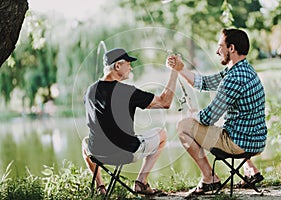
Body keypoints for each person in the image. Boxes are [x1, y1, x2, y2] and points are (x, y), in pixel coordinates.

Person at [169, 28, 267, 195]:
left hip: (239, 144)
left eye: (220, 46)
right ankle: (250, 169)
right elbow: (204, 82)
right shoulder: (243, 70)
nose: (217, 51)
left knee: (183, 127)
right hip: (257, 141)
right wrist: (180, 69)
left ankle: (209, 177)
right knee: (233, 124)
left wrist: (192, 115)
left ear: (231, 48)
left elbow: (208, 118)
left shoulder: (234, 78)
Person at [81, 48, 179, 195]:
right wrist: (175, 72)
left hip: (97, 153)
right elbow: (165, 102)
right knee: (162, 134)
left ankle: (100, 187)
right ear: (117, 66)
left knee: (85, 142)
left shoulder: (90, 91)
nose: (131, 67)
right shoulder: (127, 91)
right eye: (128, 63)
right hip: (124, 153)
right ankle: (141, 182)